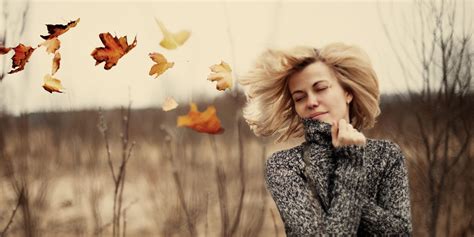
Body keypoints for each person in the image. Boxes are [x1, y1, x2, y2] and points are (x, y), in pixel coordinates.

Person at [238, 43, 412, 236]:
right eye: (299, 97)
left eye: (320, 88)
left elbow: (400, 233)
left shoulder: (386, 156)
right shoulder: (284, 165)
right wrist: (349, 166)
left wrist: (335, 182)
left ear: (348, 92)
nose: (311, 102)